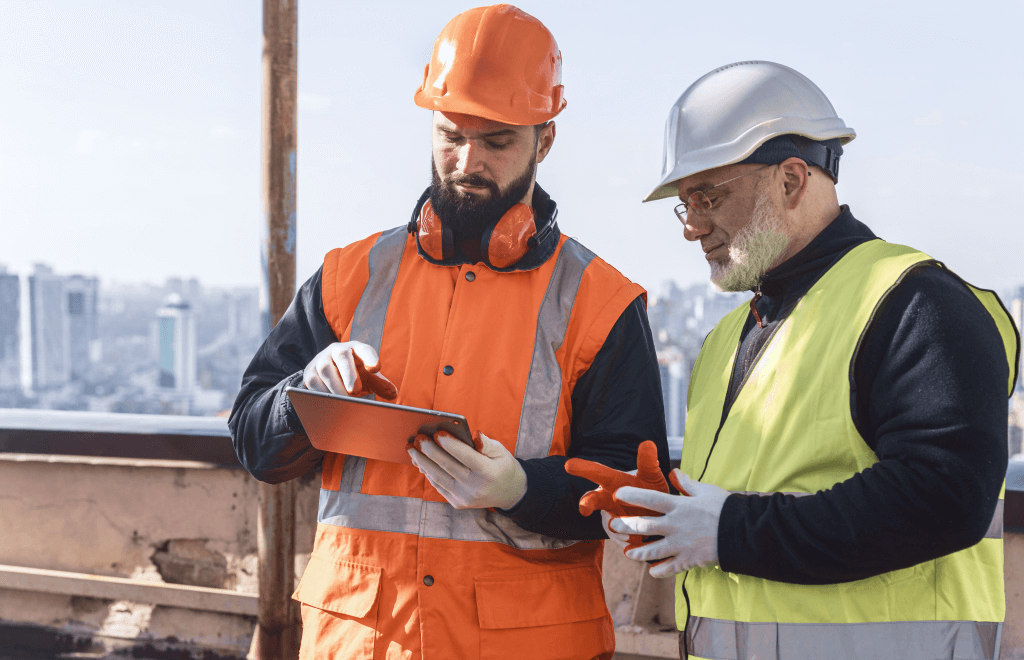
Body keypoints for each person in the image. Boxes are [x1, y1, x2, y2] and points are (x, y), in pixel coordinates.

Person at [228, 5, 669, 659]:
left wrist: (524, 488)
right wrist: (300, 397)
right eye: (450, 135)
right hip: (364, 641)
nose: (468, 160)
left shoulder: (599, 300)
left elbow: (635, 488)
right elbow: (253, 443)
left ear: (544, 141)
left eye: (497, 142)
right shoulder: (350, 277)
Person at [600, 61, 1018, 660]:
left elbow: (944, 496)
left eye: (708, 196)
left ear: (792, 180)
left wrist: (727, 531)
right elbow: (767, 490)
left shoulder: (915, 303)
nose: (692, 227)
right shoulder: (727, 339)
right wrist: (670, 512)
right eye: (684, 204)